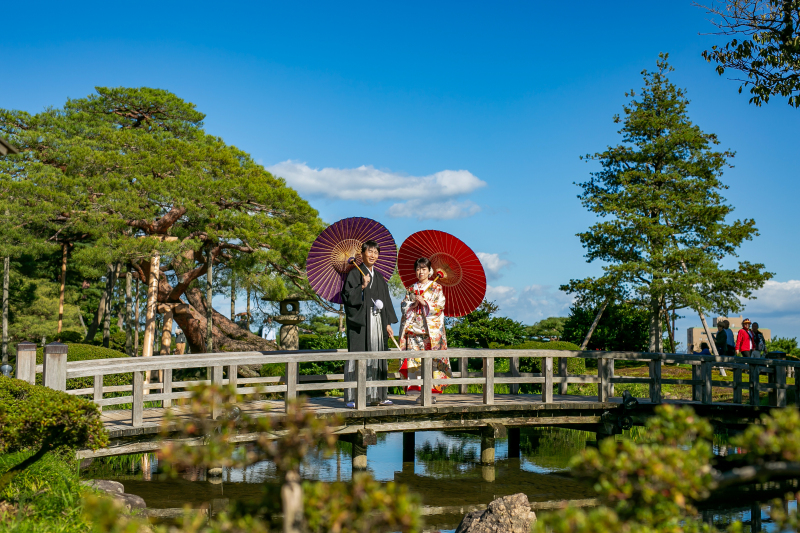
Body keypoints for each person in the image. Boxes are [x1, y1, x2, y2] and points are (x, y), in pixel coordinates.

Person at [340, 240, 398, 408]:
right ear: (362, 254)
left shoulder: (379, 277)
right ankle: (353, 397)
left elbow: (386, 301)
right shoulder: (354, 274)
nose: (373, 255)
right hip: (361, 323)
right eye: (369, 252)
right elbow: (347, 297)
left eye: (375, 252)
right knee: (358, 358)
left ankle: (378, 396)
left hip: (378, 323)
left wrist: (387, 323)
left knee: (378, 357)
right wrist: (362, 287)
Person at [398, 257, 451, 403]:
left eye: (424, 269)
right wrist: (412, 305)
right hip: (414, 331)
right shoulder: (411, 289)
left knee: (431, 363)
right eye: (418, 269)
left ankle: (430, 394)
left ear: (429, 271)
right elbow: (404, 306)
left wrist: (426, 303)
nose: (420, 272)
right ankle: (421, 393)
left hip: (430, 333)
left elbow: (440, 307)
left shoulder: (436, 288)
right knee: (417, 364)